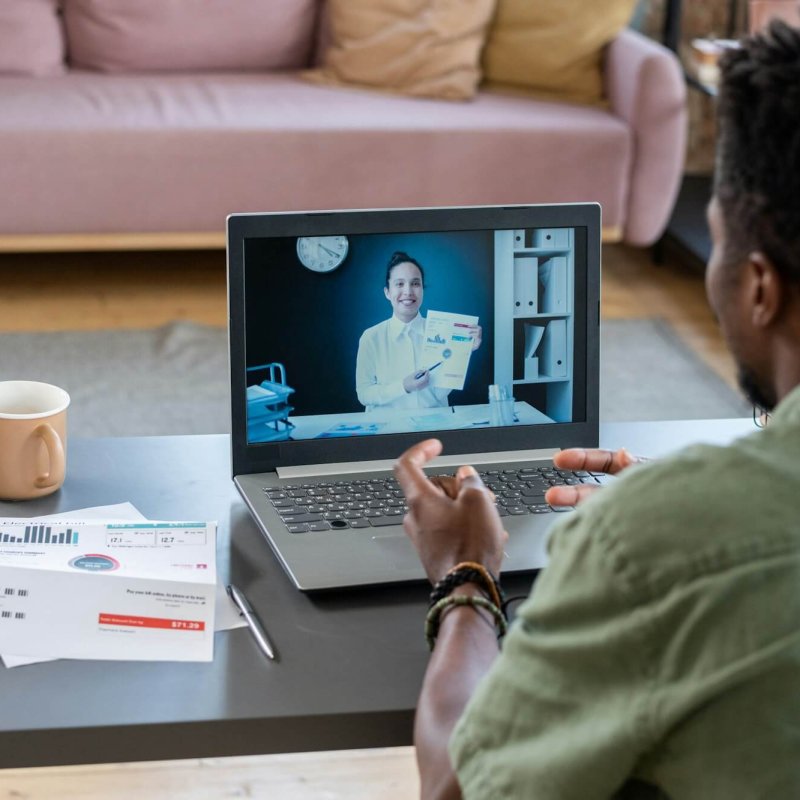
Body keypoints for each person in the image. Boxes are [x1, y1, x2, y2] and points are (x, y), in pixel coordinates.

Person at [393, 21, 800, 800]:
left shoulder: (651, 541)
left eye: (716, 241)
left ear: (759, 286)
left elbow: (455, 788)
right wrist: (693, 503)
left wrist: (465, 574)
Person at [355, 251, 482, 412]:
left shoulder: (443, 331)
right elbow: (364, 394)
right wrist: (403, 386)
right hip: (387, 424)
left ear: (422, 289)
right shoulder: (371, 337)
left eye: (415, 283)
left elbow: (439, 393)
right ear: (387, 292)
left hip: (433, 422)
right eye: (399, 284)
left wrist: (464, 350)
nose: (408, 291)